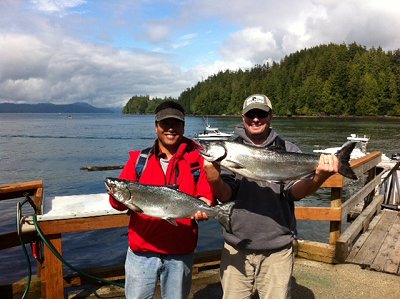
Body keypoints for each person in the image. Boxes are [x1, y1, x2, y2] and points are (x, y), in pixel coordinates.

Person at [203, 94, 339, 299]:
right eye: (251, 115)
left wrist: (319, 177)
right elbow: (227, 195)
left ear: (270, 117)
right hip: (237, 246)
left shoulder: (289, 149)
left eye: (261, 114)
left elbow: (294, 193)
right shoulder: (231, 151)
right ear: (243, 118)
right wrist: (214, 180)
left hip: (278, 248)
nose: (256, 119)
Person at [109, 100, 214, 299]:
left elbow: (206, 197)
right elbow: (117, 204)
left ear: (183, 126)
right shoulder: (138, 160)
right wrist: (115, 192)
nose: (170, 129)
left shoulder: (198, 162)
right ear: (156, 126)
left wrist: (205, 207)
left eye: (176, 123)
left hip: (180, 252)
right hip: (141, 252)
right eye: (165, 124)